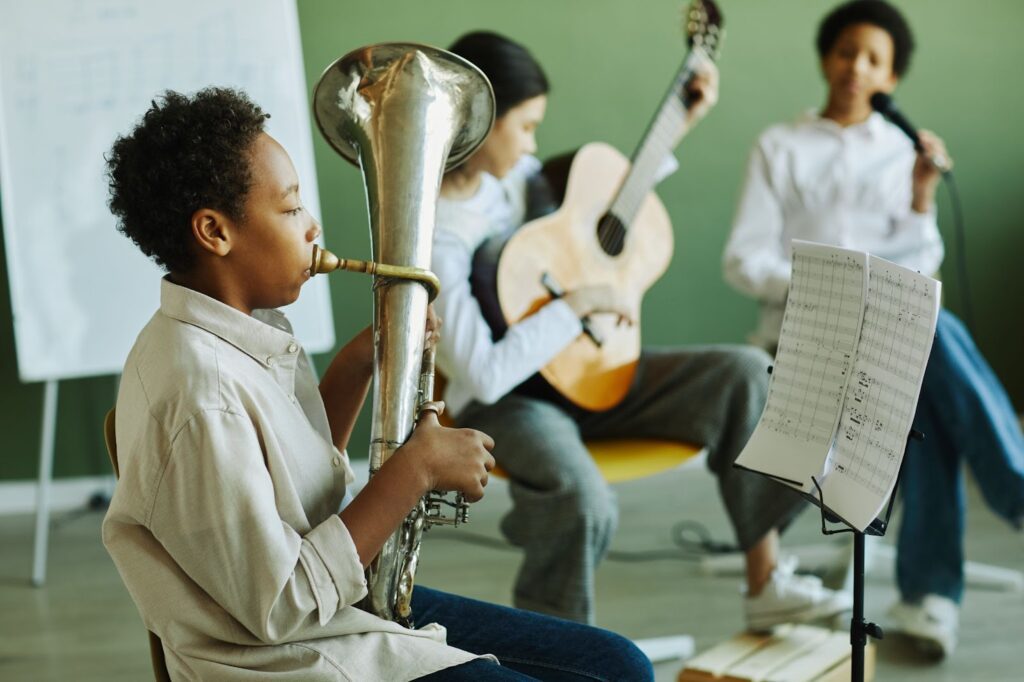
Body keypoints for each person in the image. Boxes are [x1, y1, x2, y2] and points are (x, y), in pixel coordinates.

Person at [101, 86, 656, 681]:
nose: (313, 227)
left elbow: (296, 485)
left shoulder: (241, 330)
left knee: (619, 665)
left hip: (338, 616)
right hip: (294, 659)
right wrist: (413, 469)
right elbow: (282, 605)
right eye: (290, 210)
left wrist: (357, 363)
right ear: (215, 232)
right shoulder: (202, 393)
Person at [433, 30, 851, 632]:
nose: (534, 142)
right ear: (480, 119)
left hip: (588, 371)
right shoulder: (442, 232)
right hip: (514, 403)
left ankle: (766, 581)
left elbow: (593, 215)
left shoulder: (518, 175)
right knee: (583, 501)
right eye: (526, 126)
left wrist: (678, 124)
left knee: (743, 372)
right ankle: (558, 652)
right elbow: (485, 374)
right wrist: (575, 305)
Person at [723, 0, 1024, 659]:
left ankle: (932, 596)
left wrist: (921, 197)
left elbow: (924, 269)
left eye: (874, 60)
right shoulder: (781, 146)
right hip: (801, 336)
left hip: (890, 338)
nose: (856, 68)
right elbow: (743, 261)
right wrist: (838, 289)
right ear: (826, 57)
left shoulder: (900, 152)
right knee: (928, 349)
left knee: (924, 354)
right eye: (846, 52)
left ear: (892, 78)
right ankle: (944, 581)